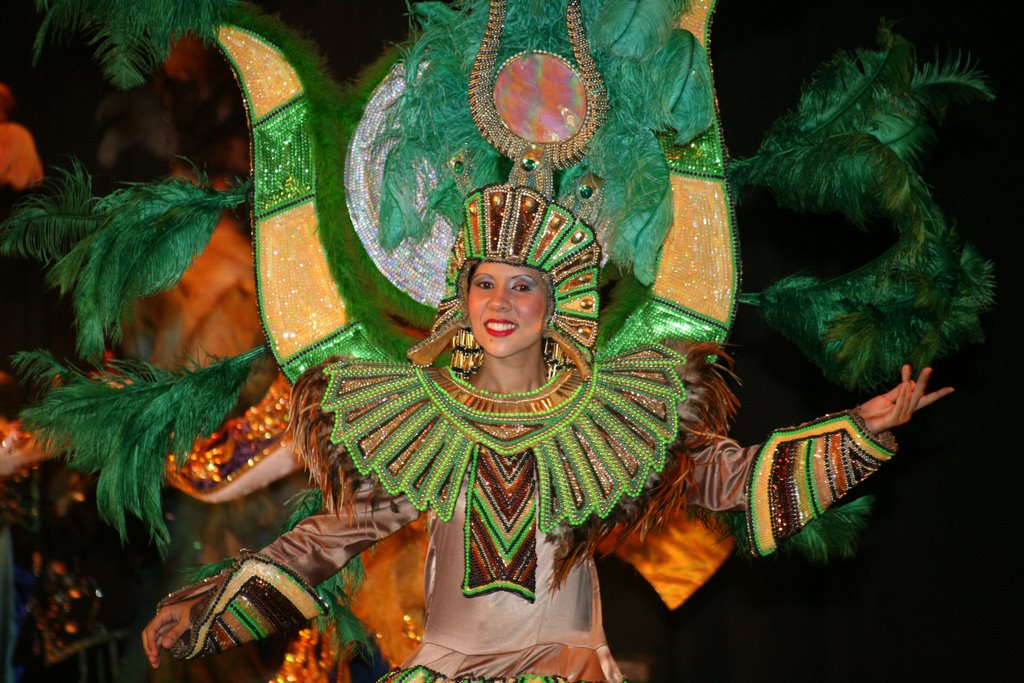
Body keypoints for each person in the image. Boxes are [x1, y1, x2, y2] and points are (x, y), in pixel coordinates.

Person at [141, 183, 950, 682]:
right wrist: (205, 612)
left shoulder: (609, 421)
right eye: (483, 280)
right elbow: (325, 539)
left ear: (555, 302)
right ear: (459, 301)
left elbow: (727, 478)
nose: (498, 298)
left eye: (522, 284)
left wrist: (858, 430)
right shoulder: (426, 424)